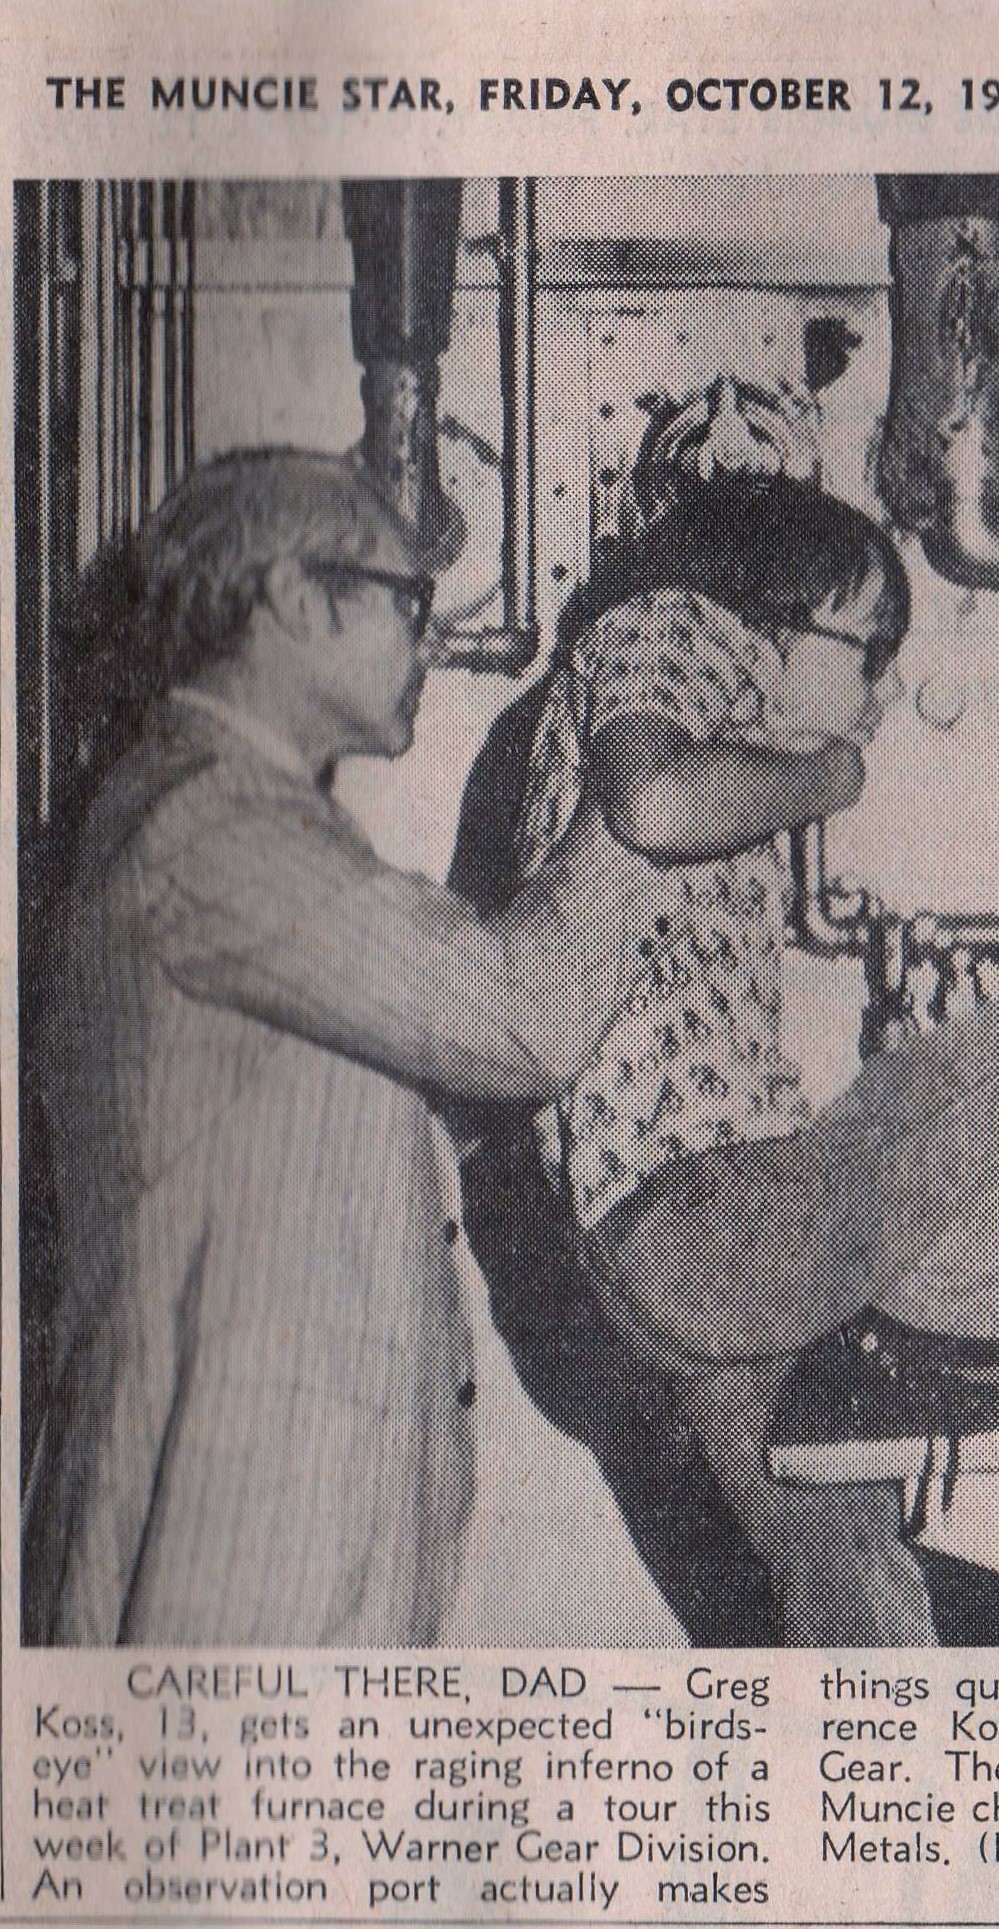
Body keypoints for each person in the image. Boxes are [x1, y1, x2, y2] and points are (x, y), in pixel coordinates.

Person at [471, 473, 999, 1646]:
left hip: (669, 1263)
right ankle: (931, 1339)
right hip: (709, 1216)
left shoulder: (673, 690)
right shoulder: (675, 620)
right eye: (869, 647)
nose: (881, 693)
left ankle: (875, 1808)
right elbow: (649, 796)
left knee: (843, 1561)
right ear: (776, 607)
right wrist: (830, 775)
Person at [22, 447, 691, 1648]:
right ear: (290, 597)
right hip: (235, 1550)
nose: (428, 642)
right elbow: (525, 1014)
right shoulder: (208, 827)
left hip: (266, 1535)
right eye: (406, 601)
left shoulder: (224, 811)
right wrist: (658, 782)